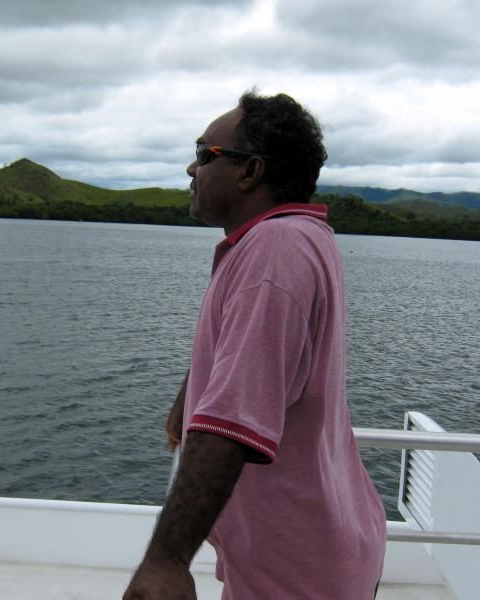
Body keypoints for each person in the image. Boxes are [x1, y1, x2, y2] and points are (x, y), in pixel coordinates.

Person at [123, 91, 386, 599]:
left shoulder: (273, 253)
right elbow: (248, 354)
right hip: (313, 550)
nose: (190, 170)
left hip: (295, 573)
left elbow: (233, 426)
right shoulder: (299, 238)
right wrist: (190, 395)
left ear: (250, 172)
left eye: (204, 155)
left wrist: (166, 561)